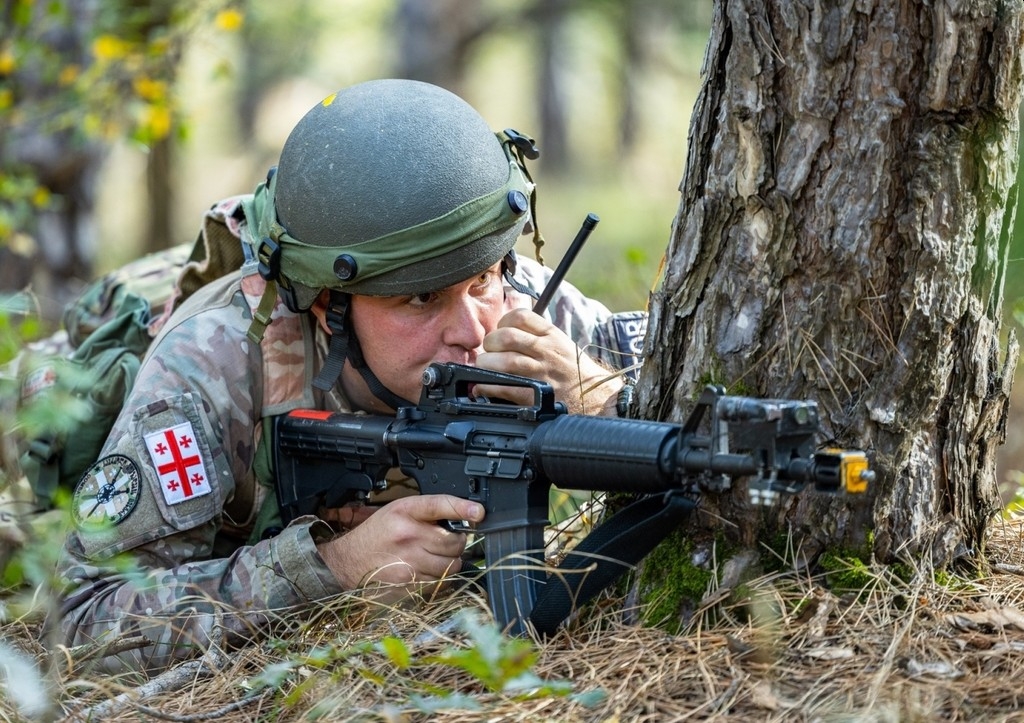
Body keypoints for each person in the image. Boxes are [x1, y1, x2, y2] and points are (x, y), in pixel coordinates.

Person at [54, 79, 646, 672]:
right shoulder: (217, 365)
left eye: (482, 280)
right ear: (326, 306)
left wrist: (603, 396)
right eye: (420, 299)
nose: (471, 329)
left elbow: (683, 408)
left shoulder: (524, 312)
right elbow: (81, 620)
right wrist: (332, 568)